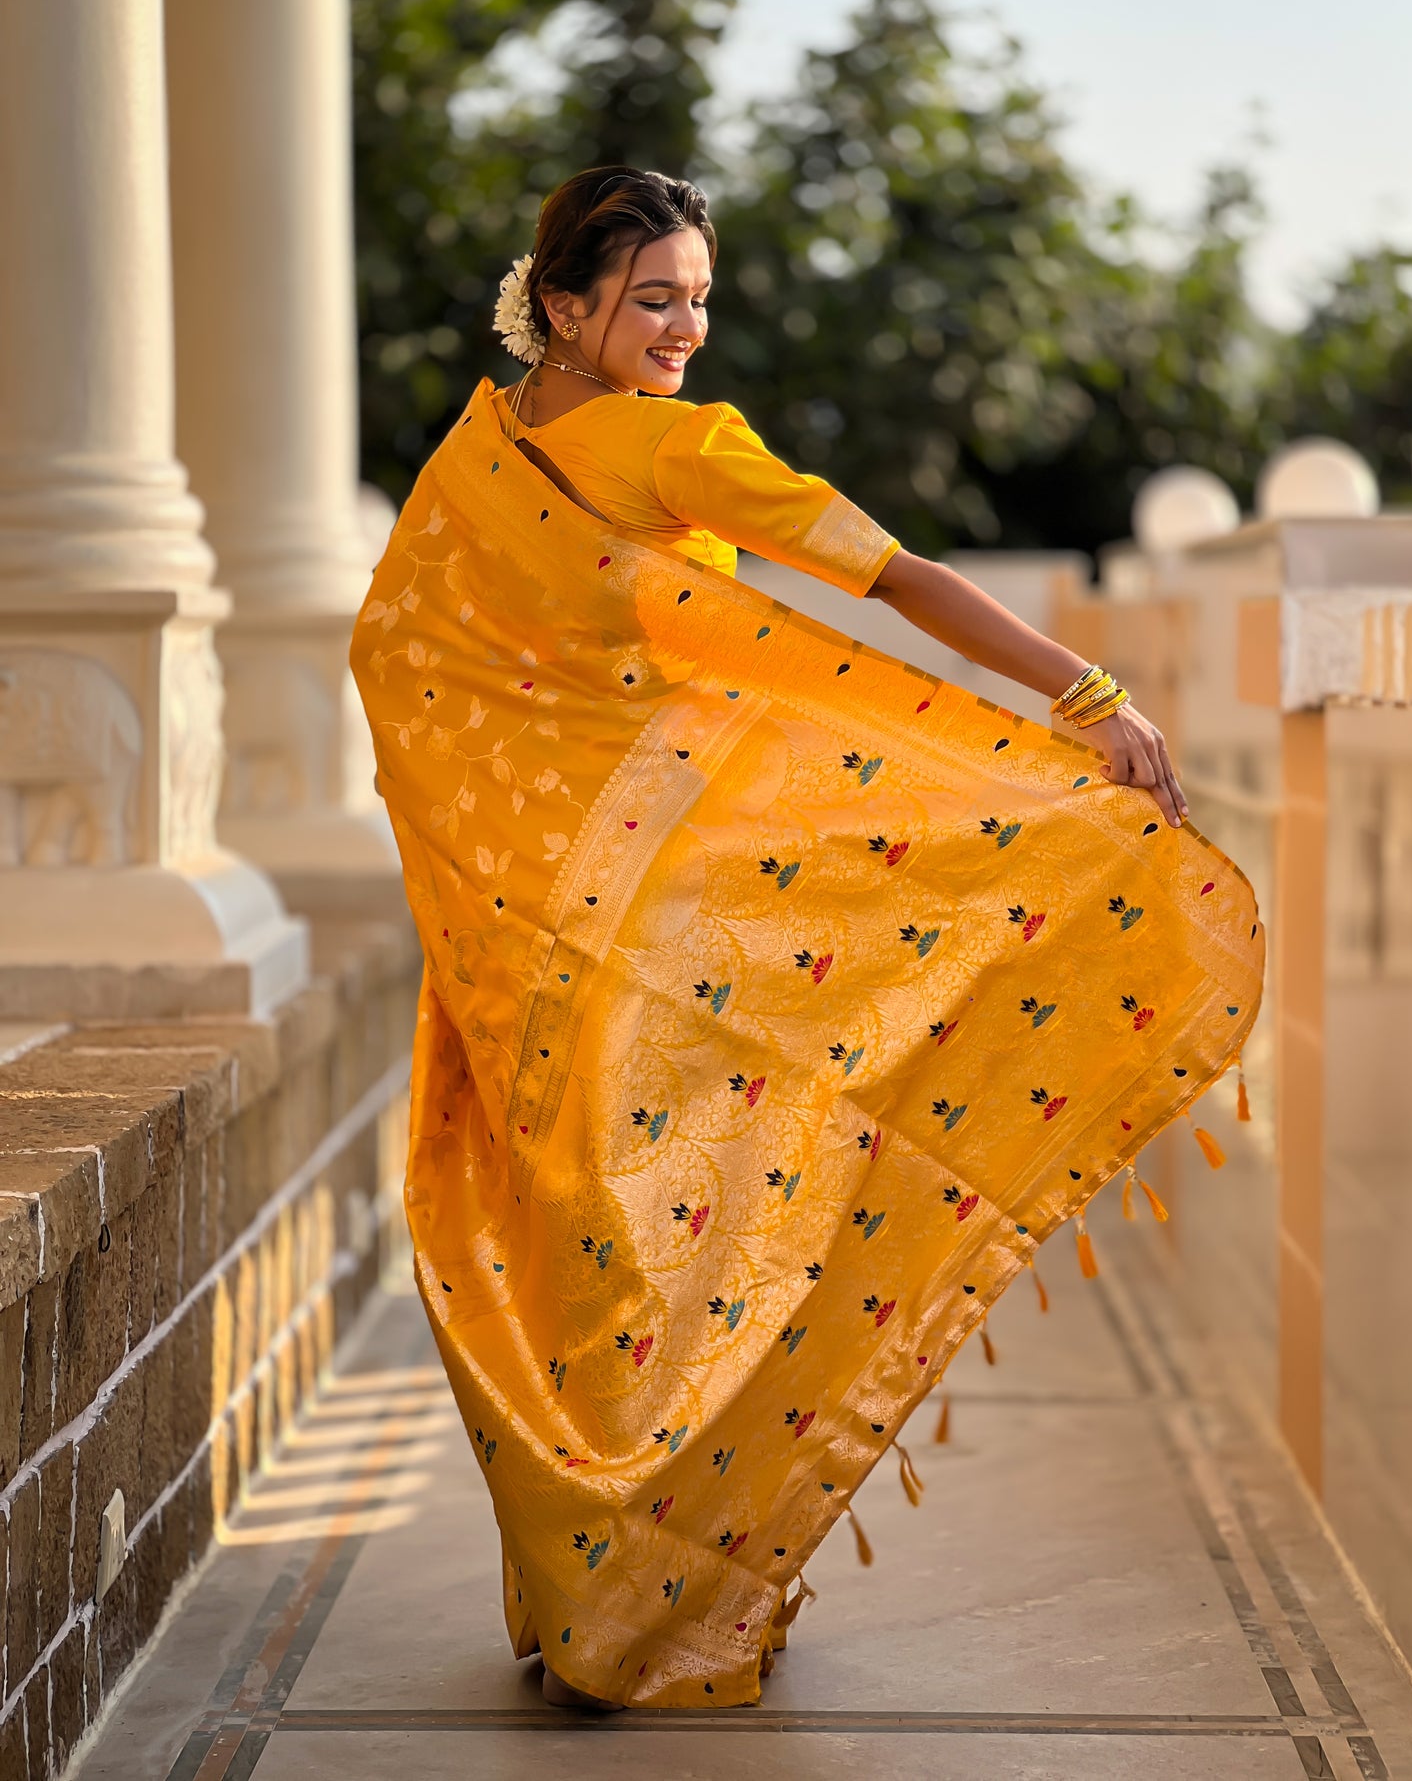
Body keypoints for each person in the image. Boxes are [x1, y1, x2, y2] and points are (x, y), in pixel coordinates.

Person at [351, 165, 1262, 1712]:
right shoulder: (643, 447)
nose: (686, 328)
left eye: (699, 297)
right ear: (562, 303)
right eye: (654, 298)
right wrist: (1083, 697)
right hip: (626, 901)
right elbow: (889, 574)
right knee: (648, 1233)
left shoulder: (487, 442)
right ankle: (636, 1603)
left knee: (592, 1231)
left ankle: (606, 1606)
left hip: (543, 912)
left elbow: (393, 649)